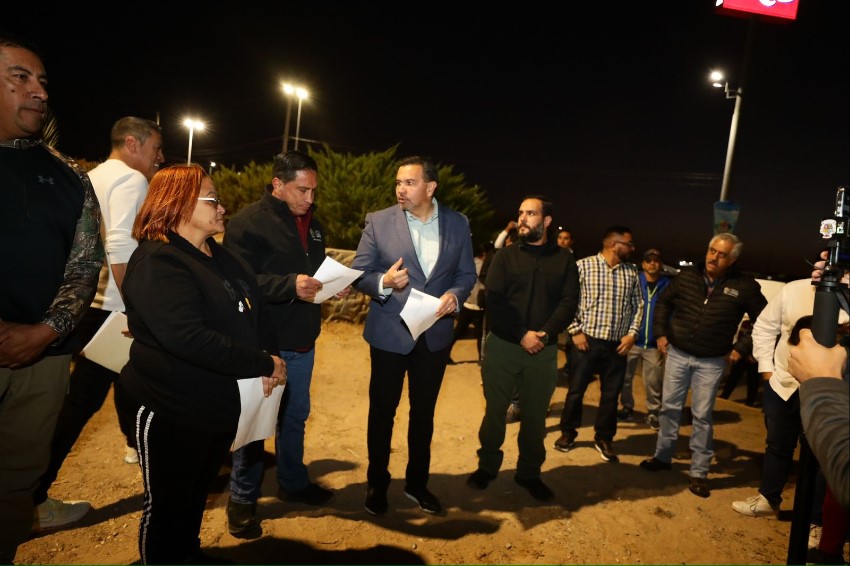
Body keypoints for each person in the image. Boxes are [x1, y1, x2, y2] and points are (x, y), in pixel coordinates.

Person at [114, 165, 286, 564]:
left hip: (214, 405)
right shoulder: (159, 261)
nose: (222, 207)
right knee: (168, 504)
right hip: (169, 406)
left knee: (195, 494)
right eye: (213, 199)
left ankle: (187, 554)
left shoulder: (221, 256)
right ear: (178, 204)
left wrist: (268, 354)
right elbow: (187, 337)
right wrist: (260, 361)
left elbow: (257, 311)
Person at [32, 116, 164, 532]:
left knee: (128, 384)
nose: (160, 157)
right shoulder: (131, 179)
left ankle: (138, 448)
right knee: (81, 403)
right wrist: (135, 305)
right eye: (155, 148)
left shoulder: (92, 176)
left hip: (89, 304)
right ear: (133, 143)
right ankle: (32, 499)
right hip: (113, 308)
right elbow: (120, 241)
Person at [0, 34, 104, 563]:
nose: (38, 91)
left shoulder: (69, 176)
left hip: (43, 359)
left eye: (42, 81)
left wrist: (46, 332)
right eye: (20, 77)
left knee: (16, 483)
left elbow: (84, 266)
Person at [351, 155, 477, 516]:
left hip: (434, 336)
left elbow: (466, 274)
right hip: (390, 334)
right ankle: (377, 484)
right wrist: (384, 282)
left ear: (430, 187)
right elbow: (360, 272)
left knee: (424, 415)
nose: (400, 189)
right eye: (398, 182)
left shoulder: (458, 223)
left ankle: (417, 484)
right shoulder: (379, 221)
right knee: (382, 413)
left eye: (409, 182)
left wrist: (456, 295)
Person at [224, 150, 341, 536]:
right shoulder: (247, 223)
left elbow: (313, 273)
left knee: (294, 416)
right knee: (256, 423)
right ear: (278, 184)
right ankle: (242, 498)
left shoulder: (314, 224)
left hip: (303, 340)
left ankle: (293, 483)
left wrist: (329, 286)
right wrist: (289, 286)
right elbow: (238, 283)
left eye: (314, 191)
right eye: (302, 190)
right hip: (264, 342)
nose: (310, 198)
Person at [466, 195, 579, 501]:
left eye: (530, 213)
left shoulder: (564, 260)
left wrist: (545, 333)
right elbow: (494, 300)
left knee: (535, 416)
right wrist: (521, 335)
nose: (523, 218)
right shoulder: (504, 257)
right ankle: (487, 466)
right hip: (504, 346)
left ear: (547, 221)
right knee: (495, 411)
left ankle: (529, 473)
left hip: (543, 350)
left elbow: (569, 302)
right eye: (520, 213)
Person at [640, 233, 767, 498]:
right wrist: (661, 333)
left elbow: (766, 321)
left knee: (701, 416)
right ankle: (662, 457)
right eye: (712, 251)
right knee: (669, 408)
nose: (714, 257)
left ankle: (699, 472)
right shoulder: (687, 276)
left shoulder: (744, 286)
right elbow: (663, 302)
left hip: (711, 361)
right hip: (677, 354)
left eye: (722, 254)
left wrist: (741, 349)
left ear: (732, 260)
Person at [731, 279, 846, 520]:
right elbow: (764, 327)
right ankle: (768, 499)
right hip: (782, 385)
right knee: (777, 445)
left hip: (826, 389)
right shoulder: (793, 290)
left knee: (822, 456)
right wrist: (767, 369)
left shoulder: (846, 297)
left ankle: (815, 520)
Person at [553, 225, 643, 463]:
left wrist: (632, 334)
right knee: (576, 391)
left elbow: (638, 306)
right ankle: (568, 433)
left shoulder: (631, 273)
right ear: (613, 245)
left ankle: (604, 438)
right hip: (586, 342)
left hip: (617, 345)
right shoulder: (583, 266)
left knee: (611, 395)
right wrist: (575, 331)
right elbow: (567, 301)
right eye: (629, 244)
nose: (632, 248)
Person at [616, 248, 671, 429]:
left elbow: (671, 312)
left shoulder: (668, 285)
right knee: (625, 377)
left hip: (654, 343)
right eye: (649, 260)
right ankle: (627, 407)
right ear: (643, 264)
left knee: (653, 380)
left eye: (656, 260)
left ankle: (653, 412)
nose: (652, 263)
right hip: (631, 339)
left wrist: (666, 335)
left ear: (660, 264)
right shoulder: (634, 280)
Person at [448, 242, 489, 365]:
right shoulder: (483, 266)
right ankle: (482, 359)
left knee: (458, 332)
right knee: (480, 334)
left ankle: (445, 354)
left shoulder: (468, 264)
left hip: (466, 304)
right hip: (478, 306)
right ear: (484, 254)